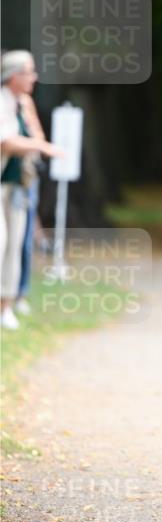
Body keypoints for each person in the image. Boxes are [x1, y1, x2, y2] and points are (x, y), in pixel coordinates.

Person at [1, 51, 62, 330]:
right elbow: (6, 143)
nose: (34, 77)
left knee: (15, 245)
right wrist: (42, 147)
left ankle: (8, 305)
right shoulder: (3, 102)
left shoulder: (21, 103)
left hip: (19, 185)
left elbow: (32, 134)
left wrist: (38, 144)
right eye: (30, 71)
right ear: (14, 75)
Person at [15, 91, 47, 316]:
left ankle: (20, 293)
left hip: (24, 178)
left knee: (23, 241)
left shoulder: (24, 102)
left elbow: (39, 139)